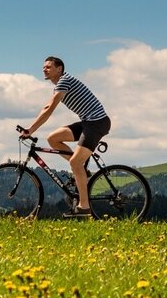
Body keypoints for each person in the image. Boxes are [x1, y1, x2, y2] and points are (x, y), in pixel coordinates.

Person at [21, 56, 110, 217]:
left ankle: (84, 207)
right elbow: (47, 107)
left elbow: (49, 108)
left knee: (75, 162)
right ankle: (81, 170)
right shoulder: (60, 84)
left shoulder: (64, 81)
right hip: (88, 122)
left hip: (97, 123)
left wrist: (31, 129)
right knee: (53, 138)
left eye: (48, 67)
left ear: (59, 69)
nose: (44, 69)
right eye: (43, 67)